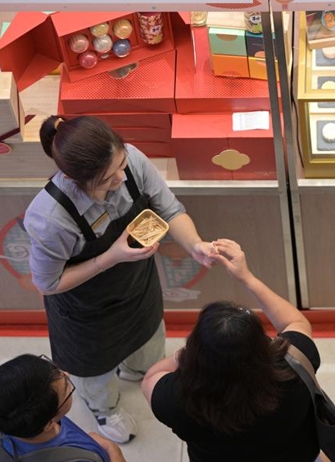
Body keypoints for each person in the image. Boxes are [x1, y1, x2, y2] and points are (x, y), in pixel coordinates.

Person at [24, 115, 223, 444]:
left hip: (137, 289)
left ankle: (140, 370)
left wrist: (196, 245)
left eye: (121, 165)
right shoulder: (50, 218)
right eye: (107, 179)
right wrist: (110, 257)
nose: (120, 177)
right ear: (76, 180)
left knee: (149, 343)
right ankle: (105, 408)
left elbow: (170, 210)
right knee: (96, 374)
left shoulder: (132, 160)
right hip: (86, 314)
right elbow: (48, 283)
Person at [141, 239, 320, 462]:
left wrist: (187, 356)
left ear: (196, 351)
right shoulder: (294, 368)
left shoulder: (178, 400)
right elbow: (296, 322)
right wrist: (246, 277)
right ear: (262, 345)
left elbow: (150, 379)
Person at [0, 354, 126, 462]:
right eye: (67, 387)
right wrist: (115, 453)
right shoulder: (78, 458)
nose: (67, 374)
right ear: (48, 424)